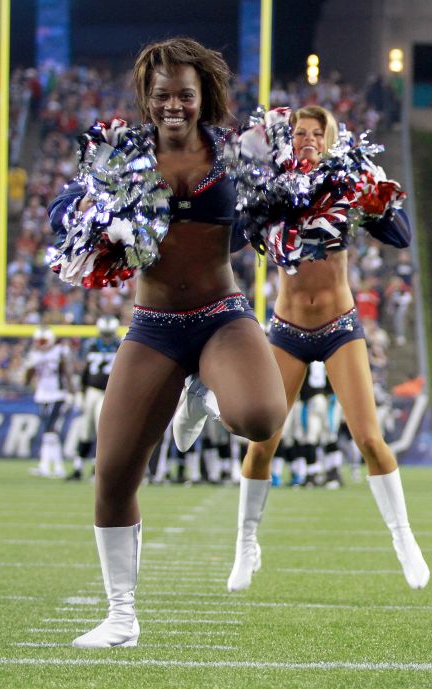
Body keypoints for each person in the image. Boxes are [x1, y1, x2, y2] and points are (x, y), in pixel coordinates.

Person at [48, 38, 286, 649]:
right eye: (161, 96)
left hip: (220, 316)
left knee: (261, 417)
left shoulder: (240, 152)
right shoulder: (119, 156)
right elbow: (68, 218)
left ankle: (203, 387)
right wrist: (93, 225)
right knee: (113, 472)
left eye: (184, 94)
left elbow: (282, 208)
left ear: (204, 94)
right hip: (153, 325)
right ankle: (121, 616)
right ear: (146, 99)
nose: (173, 105)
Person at [173, 105, 431, 592]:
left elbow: (400, 235)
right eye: (300, 132)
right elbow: (228, 240)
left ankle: (404, 540)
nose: (308, 139)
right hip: (287, 328)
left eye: (317, 133)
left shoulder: (344, 181)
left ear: (330, 140)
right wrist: (251, 200)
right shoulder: (274, 183)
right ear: (288, 139)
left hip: (339, 325)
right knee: (261, 442)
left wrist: (374, 196)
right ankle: (246, 543)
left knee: (370, 440)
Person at [67, 315, 121, 482]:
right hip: (91, 391)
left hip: (108, 393)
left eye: (108, 333)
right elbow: (84, 371)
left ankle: (96, 469)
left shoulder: (120, 346)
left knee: (101, 431)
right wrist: (80, 393)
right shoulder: (91, 345)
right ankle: (78, 468)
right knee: (85, 431)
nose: (106, 337)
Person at [25, 326, 72, 478]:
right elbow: (27, 378)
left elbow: (66, 372)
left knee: (49, 430)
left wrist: (72, 391)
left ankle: (49, 466)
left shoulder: (59, 351)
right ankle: (54, 466)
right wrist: (29, 367)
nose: (40, 344)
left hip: (57, 394)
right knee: (49, 432)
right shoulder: (34, 355)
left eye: (43, 340)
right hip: (42, 394)